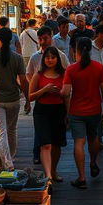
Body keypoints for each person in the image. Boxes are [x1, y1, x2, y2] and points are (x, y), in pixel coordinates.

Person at [61, 37, 103, 189]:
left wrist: (67, 111)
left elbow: (66, 93)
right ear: (89, 49)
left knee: (79, 142)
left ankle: (81, 177)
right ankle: (93, 162)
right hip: (95, 109)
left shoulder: (71, 69)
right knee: (93, 137)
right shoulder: (98, 67)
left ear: (76, 51)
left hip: (76, 110)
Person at [0, 28, 31, 169]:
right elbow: (23, 81)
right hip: (13, 99)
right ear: (12, 40)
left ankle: (7, 163)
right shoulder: (17, 58)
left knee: (0, 132)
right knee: (11, 130)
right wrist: (27, 99)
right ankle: (11, 158)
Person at [29, 47, 69, 182]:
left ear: (57, 59)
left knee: (57, 144)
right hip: (42, 111)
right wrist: (44, 90)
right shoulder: (38, 75)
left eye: (53, 57)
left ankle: (53, 170)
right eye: (47, 57)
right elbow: (30, 96)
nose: (50, 60)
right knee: (45, 144)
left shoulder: (63, 74)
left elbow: (67, 96)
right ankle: (48, 176)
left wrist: (68, 113)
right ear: (43, 59)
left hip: (59, 110)